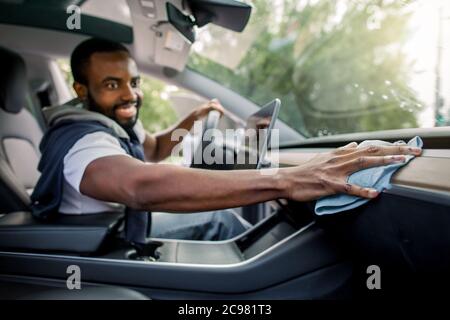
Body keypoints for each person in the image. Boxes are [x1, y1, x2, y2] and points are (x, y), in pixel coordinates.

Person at [31, 38, 422, 244]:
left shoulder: (110, 119)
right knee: (221, 220)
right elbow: (139, 185)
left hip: (120, 224)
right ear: (81, 88)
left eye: (134, 82)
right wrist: (293, 178)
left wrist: (192, 118)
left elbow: (149, 151)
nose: (130, 95)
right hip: (103, 239)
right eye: (112, 85)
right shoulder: (81, 139)